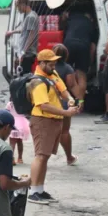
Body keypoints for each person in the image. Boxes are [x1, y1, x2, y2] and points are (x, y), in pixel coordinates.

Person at [27, 49, 79, 205]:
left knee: (46, 156)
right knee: (40, 155)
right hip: (43, 120)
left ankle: (40, 190)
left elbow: (64, 91)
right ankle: (33, 192)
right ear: (41, 63)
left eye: (54, 63)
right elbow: (43, 105)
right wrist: (66, 112)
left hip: (54, 120)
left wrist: (69, 100)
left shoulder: (53, 75)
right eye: (50, 64)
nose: (53, 66)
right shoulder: (38, 82)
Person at [52, 44, 81, 165]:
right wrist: (79, 100)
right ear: (66, 55)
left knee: (48, 131)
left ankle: (42, 156)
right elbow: (72, 85)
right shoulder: (67, 68)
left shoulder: (46, 68)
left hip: (48, 101)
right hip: (63, 103)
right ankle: (69, 157)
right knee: (64, 131)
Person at [61, 11, 96, 102]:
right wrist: (90, 62)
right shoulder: (91, 25)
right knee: (81, 75)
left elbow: (62, 28)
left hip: (69, 45)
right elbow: (93, 47)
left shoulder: (71, 19)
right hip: (83, 46)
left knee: (66, 73)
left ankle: (65, 101)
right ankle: (80, 103)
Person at [5, 0, 39, 75]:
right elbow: (24, 30)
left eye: (18, 6)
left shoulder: (31, 17)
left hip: (27, 53)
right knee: (21, 73)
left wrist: (23, 52)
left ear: (23, 5)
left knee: (25, 76)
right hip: (25, 53)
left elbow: (32, 35)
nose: (18, 9)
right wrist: (12, 32)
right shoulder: (30, 15)